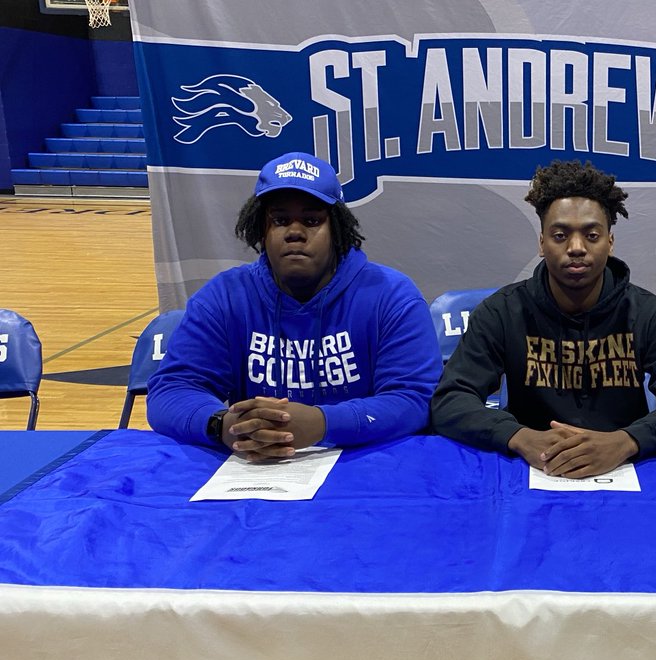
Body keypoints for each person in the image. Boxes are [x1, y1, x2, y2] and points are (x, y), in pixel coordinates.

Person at [147, 151, 442, 460]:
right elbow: (171, 390)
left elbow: (415, 399)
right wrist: (224, 425)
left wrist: (323, 424)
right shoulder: (224, 297)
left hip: (366, 464)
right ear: (261, 228)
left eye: (312, 220)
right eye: (280, 220)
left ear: (337, 230)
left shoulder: (391, 295)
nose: (295, 232)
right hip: (258, 471)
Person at [431, 160, 656, 478]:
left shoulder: (650, 315)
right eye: (560, 235)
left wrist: (626, 441)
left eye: (591, 235)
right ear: (542, 243)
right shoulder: (501, 312)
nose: (576, 248)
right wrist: (519, 437)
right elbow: (450, 400)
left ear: (610, 242)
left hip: (625, 468)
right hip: (528, 467)